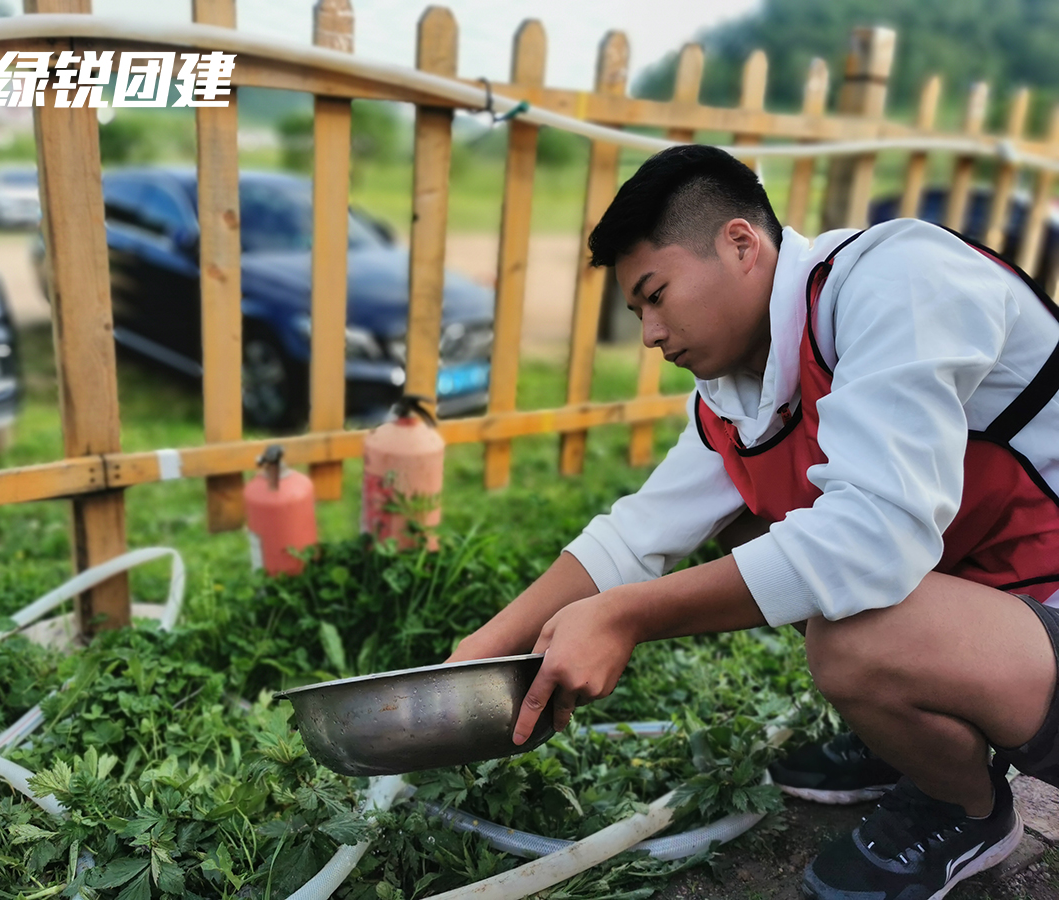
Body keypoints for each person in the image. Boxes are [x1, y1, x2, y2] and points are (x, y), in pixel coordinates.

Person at [448, 143, 1059, 900]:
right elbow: (639, 535)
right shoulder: (741, 387)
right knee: (746, 530)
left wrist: (626, 618)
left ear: (741, 243)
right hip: (1001, 607)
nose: (649, 334)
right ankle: (918, 738)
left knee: (855, 634)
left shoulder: (899, 279)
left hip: (1046, 610)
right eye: (637, 311)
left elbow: (873, 540)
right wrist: (476, 657)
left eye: (656, 293)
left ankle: (961, 805)